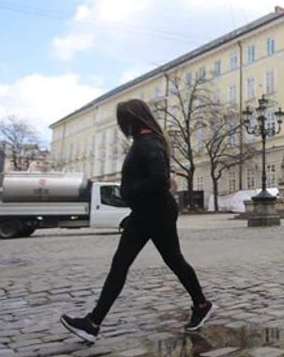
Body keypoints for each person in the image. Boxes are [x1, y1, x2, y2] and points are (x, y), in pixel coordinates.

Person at [60, 99, 215, 343]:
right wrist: (132, 191)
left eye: (123, 122)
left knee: (171, 260)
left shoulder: (149, 143)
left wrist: (129, 190)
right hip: (145, 213)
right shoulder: (145, 142)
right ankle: (93, 322)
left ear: (131, 120)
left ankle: (202, 303)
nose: (123, 128)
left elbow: (160, 180)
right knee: (123, 264)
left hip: (155, 213)